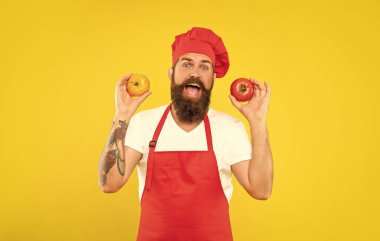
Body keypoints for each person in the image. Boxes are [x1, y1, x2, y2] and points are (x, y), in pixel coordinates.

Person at [98, 27, 273, 241]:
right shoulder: (144, 123)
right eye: (187, 64)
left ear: (213, 78)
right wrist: (122, 116)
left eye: (204, 67)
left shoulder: (230, 127)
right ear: (172, 73)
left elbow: (261, 190)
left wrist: (257, 122)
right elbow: (109, 183)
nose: (195, 73)